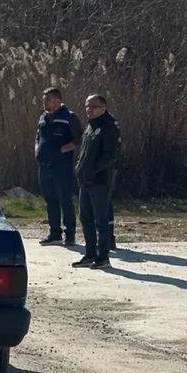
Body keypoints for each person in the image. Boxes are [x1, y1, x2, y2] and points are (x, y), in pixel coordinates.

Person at [72, 94, 120, 269]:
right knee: (86, 219)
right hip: (85, 180)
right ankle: (90, 254)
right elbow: (84, 151)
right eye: (87, 106)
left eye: (93, 106)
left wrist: (93, 169)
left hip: (100, 180)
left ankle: (103, 257)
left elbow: (111, 155)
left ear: (103, 108)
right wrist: (79, 168)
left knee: (101, 220)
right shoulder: (90, 126)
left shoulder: (108, 126)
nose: (89, 110)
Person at [35, 87, 83, 246]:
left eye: (48, 99)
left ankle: (70, 234)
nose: (45, 102)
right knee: (50, 200)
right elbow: (38, 136)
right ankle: (55, 233)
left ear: (58, 100)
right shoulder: (43, 117)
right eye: (44, 99)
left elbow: (79, 139)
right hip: (44, 165)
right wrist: (37, 150)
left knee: (65, 200)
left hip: (62, 166)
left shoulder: (69, 117)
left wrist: (61, 150)